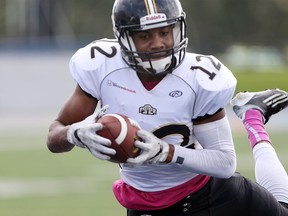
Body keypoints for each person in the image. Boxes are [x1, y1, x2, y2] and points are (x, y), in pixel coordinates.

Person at [46, 0, 288, 215]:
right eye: (145, 36)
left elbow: (224, 163)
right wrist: (74, 134)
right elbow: (54, 136)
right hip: (142, 203)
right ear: (124, 38)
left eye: (164, 32)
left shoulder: (199, 77)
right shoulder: (102, 66)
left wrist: (168, 152)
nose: (157, 43)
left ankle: (252, 116)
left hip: (211, 196)